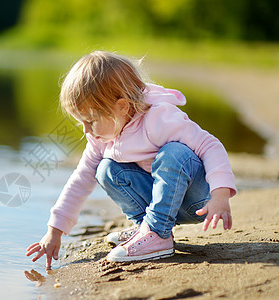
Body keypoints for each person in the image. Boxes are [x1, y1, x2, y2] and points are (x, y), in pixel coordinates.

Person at [26, 51, 236, 267]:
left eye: (90, 120)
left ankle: (156, 232)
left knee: (175, 153)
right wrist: (55, 231)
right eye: (82, 123)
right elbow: (80, 180)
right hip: (163, 203)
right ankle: (146, 228)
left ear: (122, 107)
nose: (86, 131)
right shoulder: (101, 138)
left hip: (197, 201)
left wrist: (220, 195)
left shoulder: (159, 119)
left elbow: (210, 145)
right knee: (105, 169)